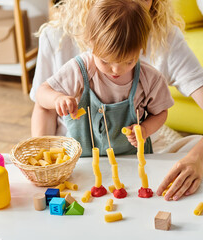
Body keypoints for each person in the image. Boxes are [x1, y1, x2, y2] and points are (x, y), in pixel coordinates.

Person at [30, 0, 203, 201]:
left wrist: (197, 160)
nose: (131, 5)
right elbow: (43, 104)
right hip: (77, 161)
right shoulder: (58, 36)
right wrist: (46, 167)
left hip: (133, 158)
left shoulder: (163, 41)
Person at [36, 0, 174, 157]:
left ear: (141, 48)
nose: (116, 70)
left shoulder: (149, 78)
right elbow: (42, 93)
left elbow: (161, 112)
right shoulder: (80, 69)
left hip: (131, 161)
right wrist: (57, 99)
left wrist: (145, 129)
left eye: (128, 61)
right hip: (81, 161)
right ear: (90, 42)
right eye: (105, 61)